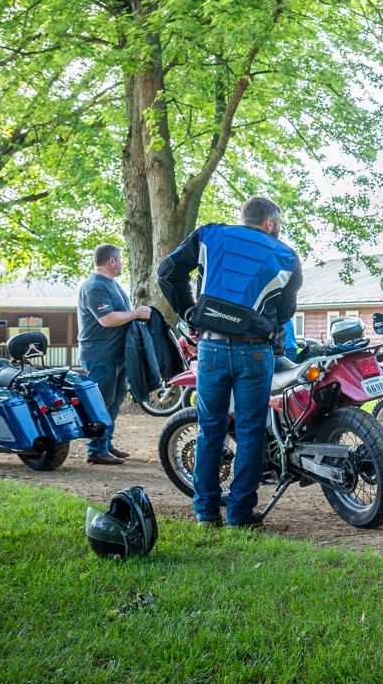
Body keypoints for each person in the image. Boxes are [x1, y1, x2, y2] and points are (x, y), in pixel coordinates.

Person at [158, 197, 302, 529]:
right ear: (270, 223)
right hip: (255, 352)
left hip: (211, 349)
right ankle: (239, 515)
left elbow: (168, 272)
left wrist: (190, 313)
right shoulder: (286, 257)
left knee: (211, 430)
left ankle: (206, 514)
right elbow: (284, 312)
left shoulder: (209, 235)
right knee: (251, 432)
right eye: (278, 223)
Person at [77, 244, 152, 464]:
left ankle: (106, 443)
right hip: (100, 355)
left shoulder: (112, 284)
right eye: (120, 259)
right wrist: (137, 312)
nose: (121, 263)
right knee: (101, 402)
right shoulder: (95, 287)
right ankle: (96, 450)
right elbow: (107, 319)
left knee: (115, 401)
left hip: (117, 355)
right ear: (112, 261)